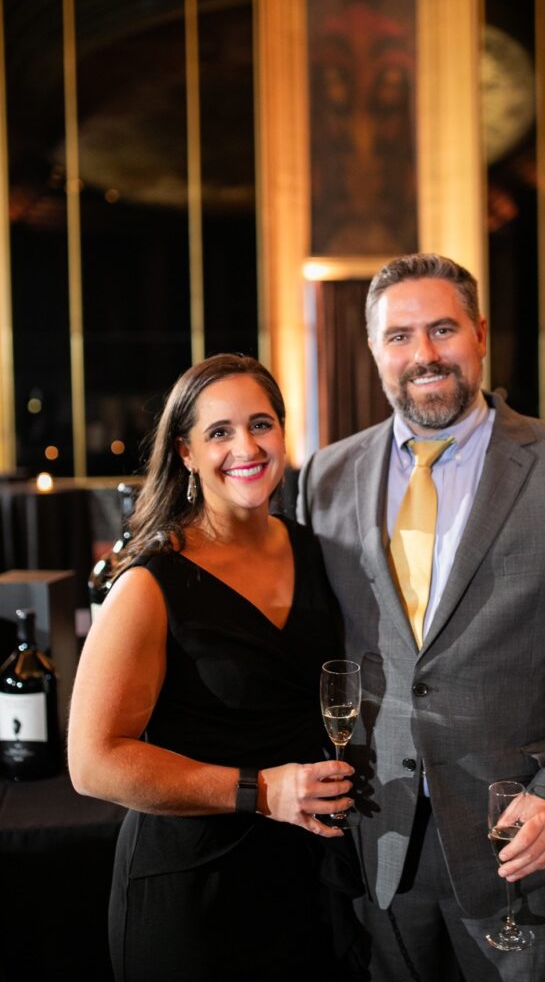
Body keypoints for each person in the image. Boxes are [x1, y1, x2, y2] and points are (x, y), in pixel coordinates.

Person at [297, 253, 545, 982]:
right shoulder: (324, 477)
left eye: (442, 329)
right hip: (380, 841)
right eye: (399, 336)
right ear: (374, 351)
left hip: (524, 845)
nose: (423, 354)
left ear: (480, 334)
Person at [68, 353, 359, 982]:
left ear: (283, 433)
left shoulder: (315, 552)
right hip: (194, 892)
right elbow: (92, 763)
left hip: (307, 881)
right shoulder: (150, 584)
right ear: (186, 453)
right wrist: (260, 791)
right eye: (219, 432)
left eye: (260, 424)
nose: (245, 447)